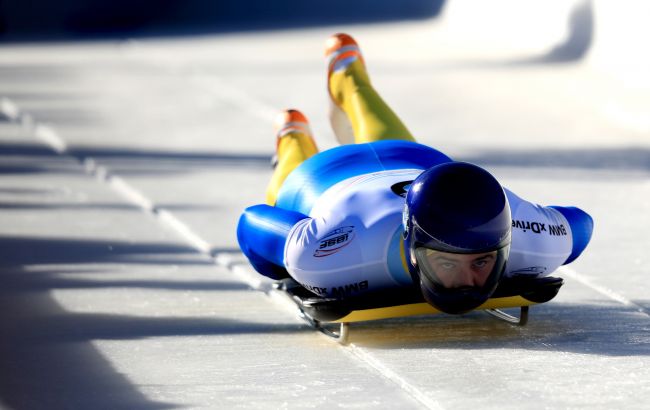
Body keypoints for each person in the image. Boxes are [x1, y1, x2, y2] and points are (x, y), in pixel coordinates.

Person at [237, 33, 593, 314]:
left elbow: (581, 225)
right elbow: (251, 221)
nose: (466, 284)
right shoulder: (323, 257)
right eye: (446, 264)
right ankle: (293, 135)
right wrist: (285, 266)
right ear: (413, 245)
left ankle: (347, 77)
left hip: (414, 161)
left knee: (389, 141)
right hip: (319, 178)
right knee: (287, 184)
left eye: (483, 261)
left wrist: (282, 266)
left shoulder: (532, 237)